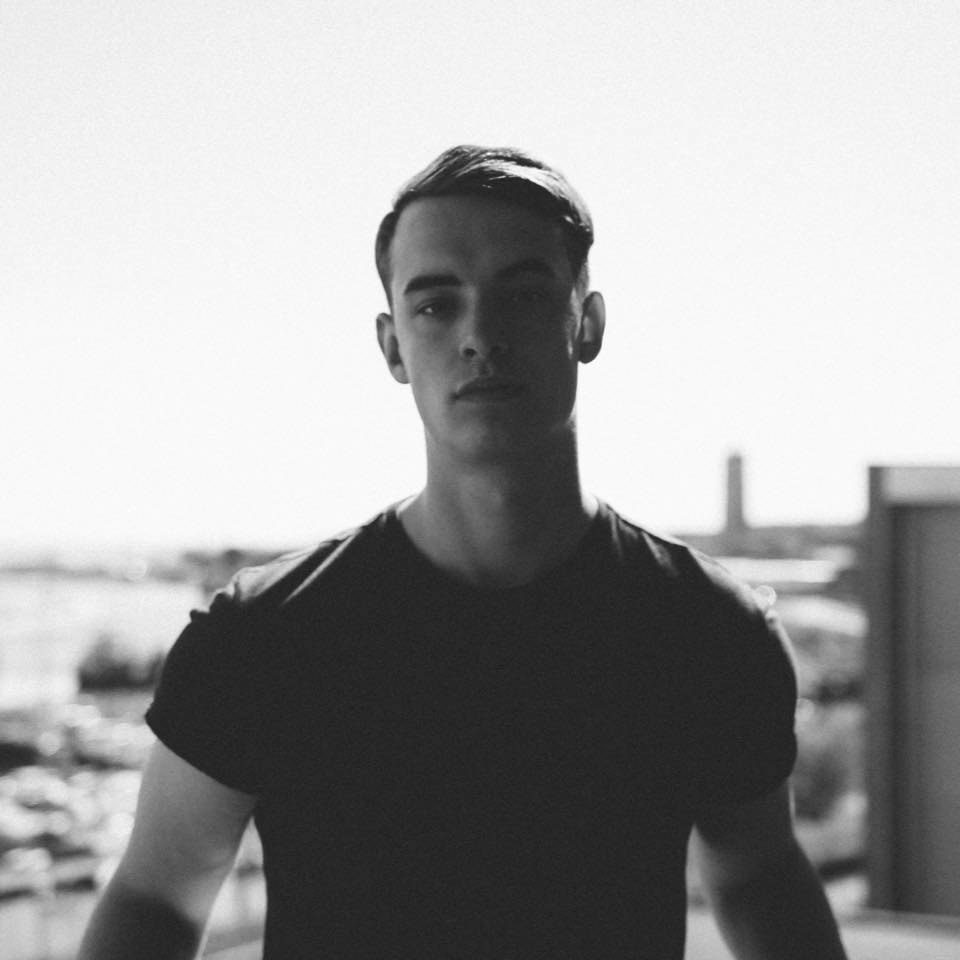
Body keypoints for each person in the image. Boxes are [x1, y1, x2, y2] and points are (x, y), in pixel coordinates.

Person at [78, 145, 848, 959]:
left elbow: (760, 878)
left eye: (523, 294)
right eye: (436, 305)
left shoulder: (708, 633)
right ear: (392, 347)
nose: (480, 334)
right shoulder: (263, 639)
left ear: (586, 324)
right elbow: (154, 899)